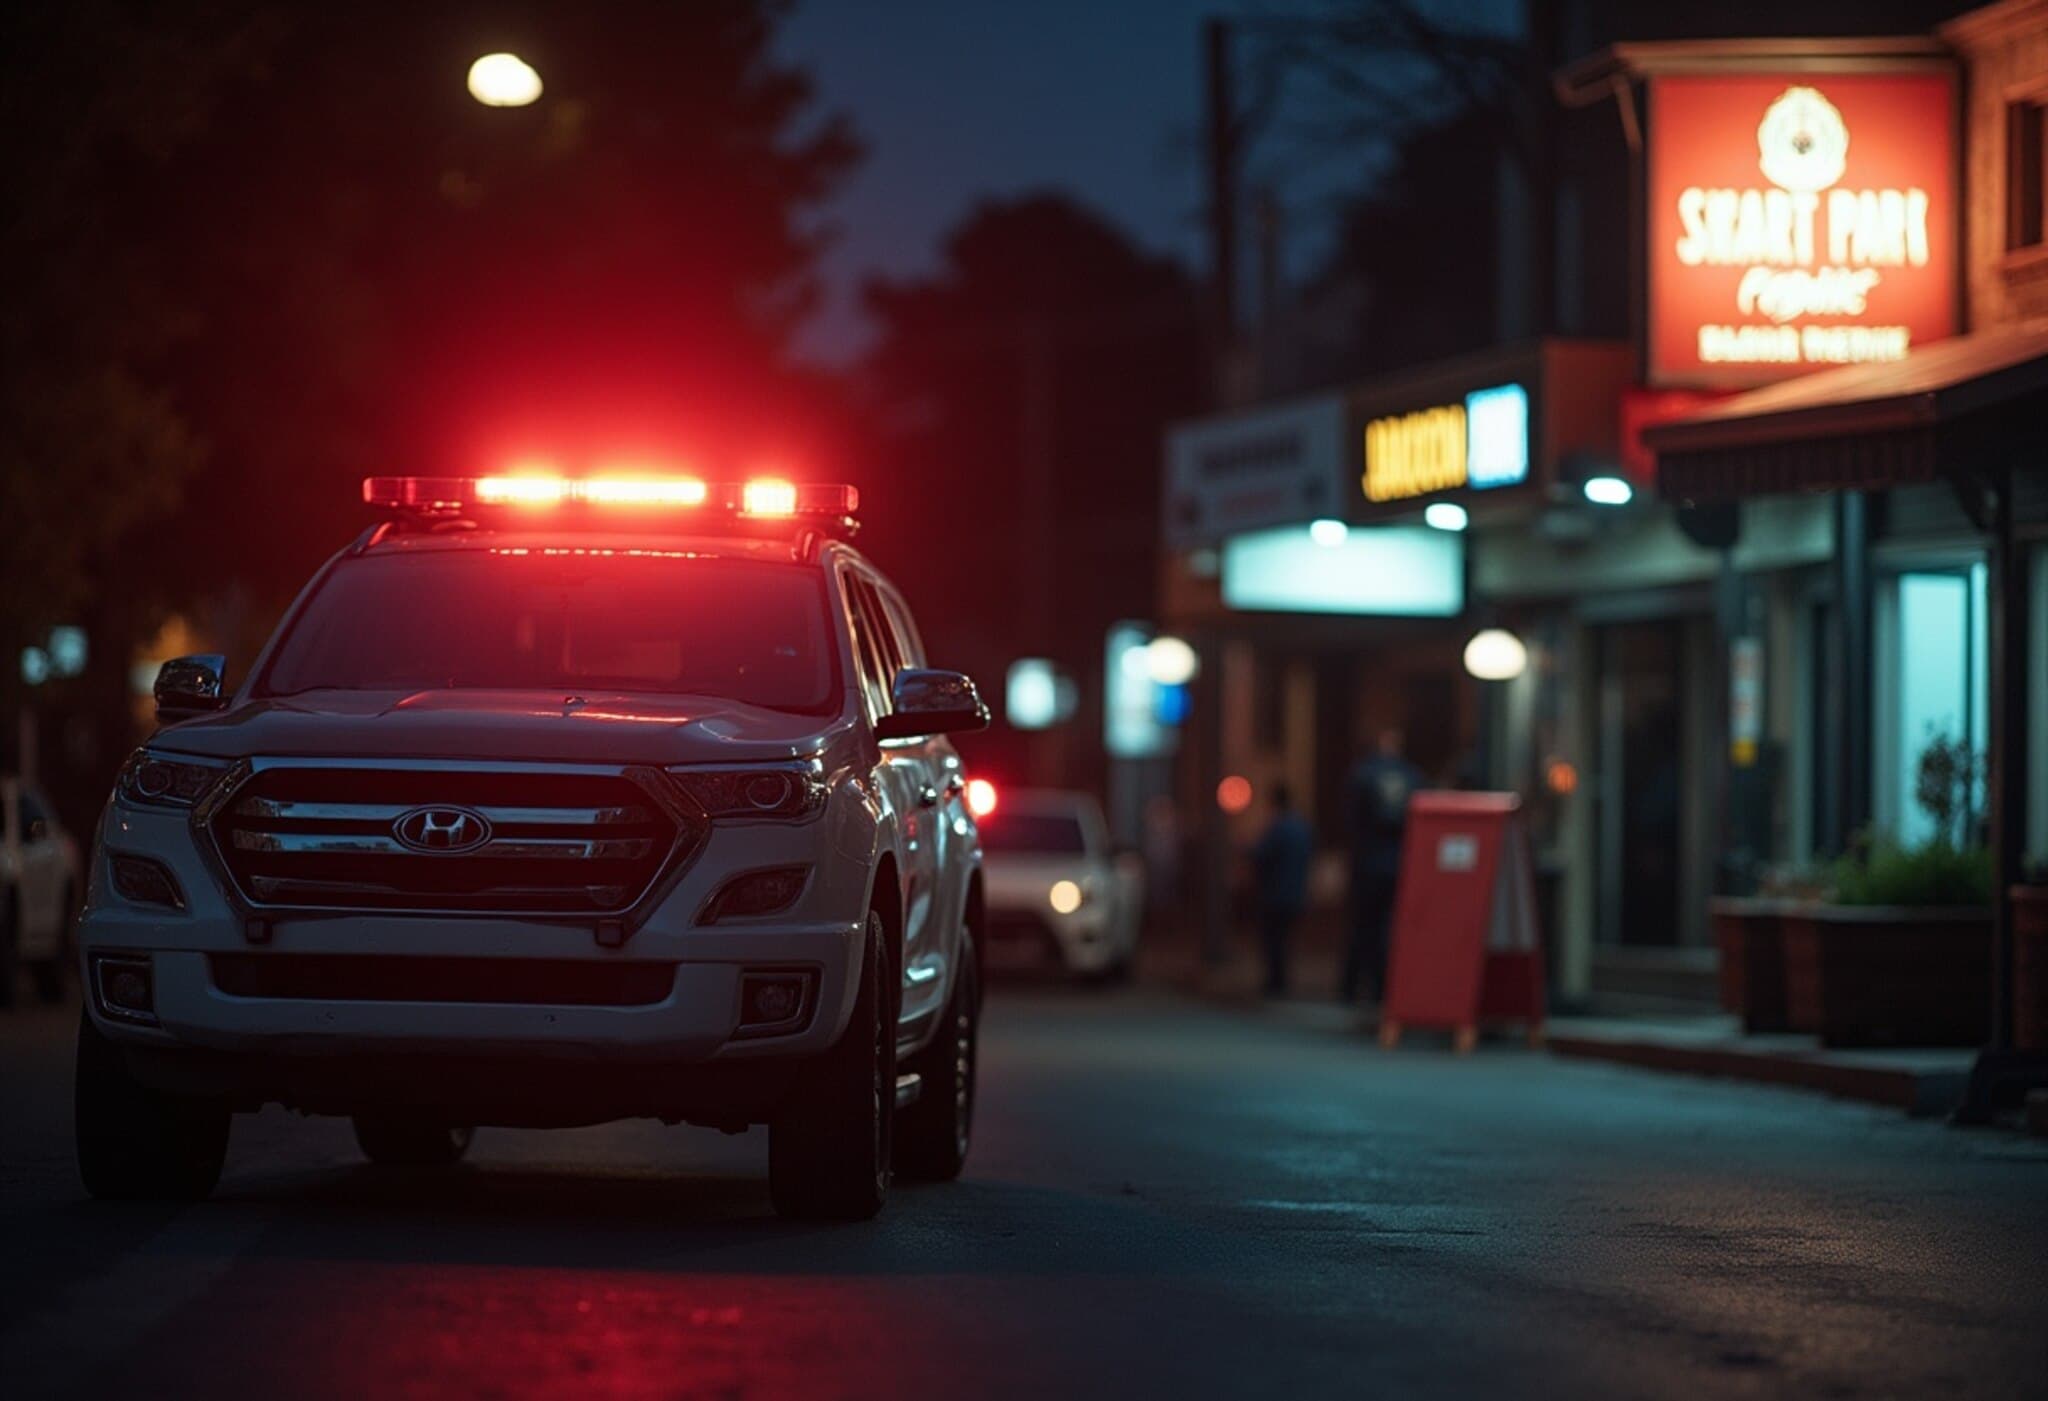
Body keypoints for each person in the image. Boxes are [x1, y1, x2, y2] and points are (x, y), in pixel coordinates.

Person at [1343, 728, 1426, 1006]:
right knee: (1392, 928)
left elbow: (1351, 820)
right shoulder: (1412, 776)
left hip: (1368, 862)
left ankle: (1353, 987)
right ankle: (1386, 988)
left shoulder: (1363, 775)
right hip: (1399, 862)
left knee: (1362, 927)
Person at [1250, 782, 1314, 998]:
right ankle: (1282, 981)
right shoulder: (1302, 826)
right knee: (1286, 940)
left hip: (1275, 892)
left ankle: (1276, 983)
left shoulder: (1278, 827)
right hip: (1296, 891)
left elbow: (1261, 855)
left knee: (1274, 940)